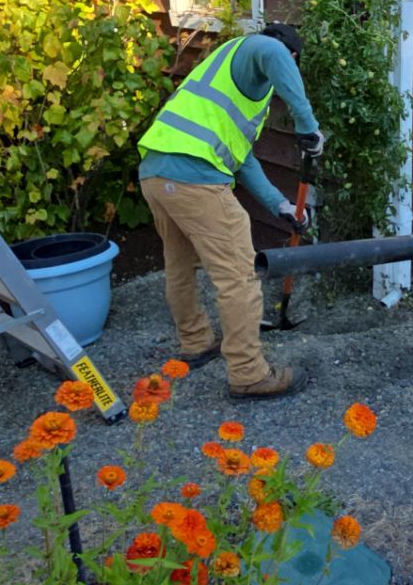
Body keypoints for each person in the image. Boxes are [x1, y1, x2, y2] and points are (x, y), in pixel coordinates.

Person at [137, 23, 323, 398]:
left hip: (156, 174)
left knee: (179, 265)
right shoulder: (259, 49)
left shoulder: (223, 73)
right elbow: (272, 52)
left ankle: (196, 343)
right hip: (194, 178)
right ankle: (248, 372)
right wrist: (308, 126)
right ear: (292, 58)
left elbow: (242, 159)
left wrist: (279, 204)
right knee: (239, 275)